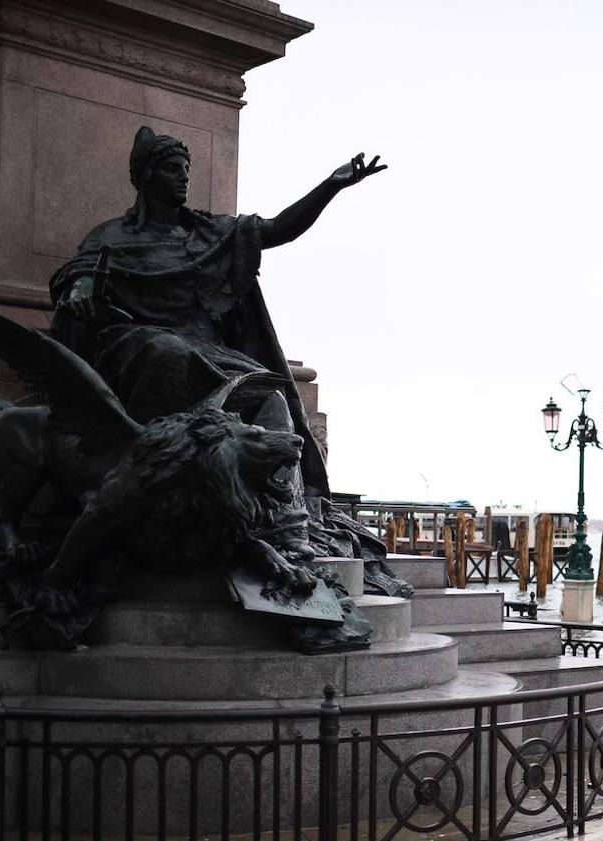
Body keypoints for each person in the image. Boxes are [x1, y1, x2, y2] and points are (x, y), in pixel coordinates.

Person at [48, 126, 386, 558]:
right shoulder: (113, 237)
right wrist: (78, 292)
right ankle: (146, 490)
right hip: (140, 344)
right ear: (146, 176)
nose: (184, 177)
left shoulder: (209, 233)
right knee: (168, 353)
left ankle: (288, 527)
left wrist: (331, 186)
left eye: (186, 168)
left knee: (272, 401)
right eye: (172, 169)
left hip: (210, 352)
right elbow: (77, 276)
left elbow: (279, 228)